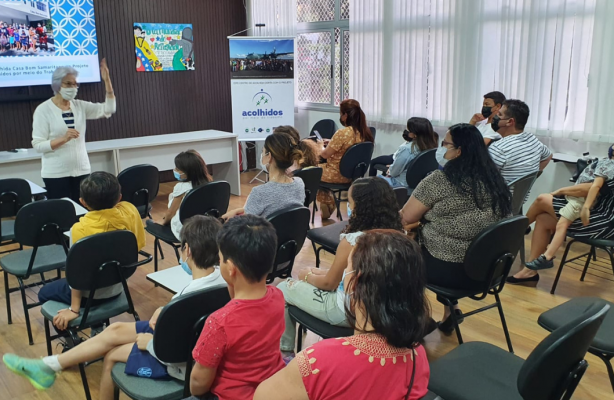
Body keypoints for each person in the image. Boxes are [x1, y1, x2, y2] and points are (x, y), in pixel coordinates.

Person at [2, 216, 225, 400]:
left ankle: (49, 367)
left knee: (111, 357)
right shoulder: (222, 281)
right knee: (116, 330)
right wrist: (164, 311)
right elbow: (191, 316)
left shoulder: (185, 297)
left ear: (187, 250)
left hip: (183, 363)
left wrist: (151, 345)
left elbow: (176, 348)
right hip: (188, 342)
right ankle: (49, 366)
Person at [255, 230, 430, 400]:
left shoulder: (317, 362)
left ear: (354, 282)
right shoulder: (418, 356)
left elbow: (262, 396)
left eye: (347, 268)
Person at [401, 123, 512, 332]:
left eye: (445, 144)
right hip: (488, 269)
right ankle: (450, 311)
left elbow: (405, 218)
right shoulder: (494, 180)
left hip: (451, 270)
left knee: (405, 253)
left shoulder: (440, 180)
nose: (441, 148)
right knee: (443, 239)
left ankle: (419, 319)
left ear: (458, 151)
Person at [278, 177, 404, 358]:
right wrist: (319, 273)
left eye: (350, 203)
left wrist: (307, 276)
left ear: (362, 208)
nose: (348, 208)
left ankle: (285, 353)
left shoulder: (353, 240)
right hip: (385, 310)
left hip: (348, 312)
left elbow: (330, 283)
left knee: (284, 288)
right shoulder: (399, 235)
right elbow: (350, 275)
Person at [189, 215, 285, 400]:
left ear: (231, 268)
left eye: (220, 259)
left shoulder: (219, 323)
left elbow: (198, 384)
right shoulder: (277, 296)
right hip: (270, 388)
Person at [37, 172, 146, 331]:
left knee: (44, 293)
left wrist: (74, 309)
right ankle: (97, 325)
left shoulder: (80, 230)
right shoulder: (130, 210)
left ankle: (70, 341)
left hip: (91, 296)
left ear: (82, 202)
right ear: (119, 197)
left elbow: (77, 275)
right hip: (119, 285)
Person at [508, 147, 614, 285]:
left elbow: (590, 188)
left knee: (542, 199)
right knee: (543, 219)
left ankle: (515, 230)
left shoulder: (610, 166)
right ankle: (530, 271)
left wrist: (560, 191)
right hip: (598, 213)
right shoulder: (608, 164)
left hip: (603, 222)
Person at [31, 61, 116, 201]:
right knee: (62, 213)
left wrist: (107, 82)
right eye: (68, 84)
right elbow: (38, 145)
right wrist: (63, 139)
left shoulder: (79, 106)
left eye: (75, 84)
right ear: (57, 85)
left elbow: (109, 109)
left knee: (83, 211)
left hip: (82, 170)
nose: (73, 87)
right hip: (56, 174)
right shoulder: (43, 110)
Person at [222, 133, 305, 220]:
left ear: (269, 157)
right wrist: (240, 211)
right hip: (293, 233)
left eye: (263, 151)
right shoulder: (299, 183)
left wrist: (233, 217)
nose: (261, 155)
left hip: (267, 233)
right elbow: (280, 209)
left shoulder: (259, 192)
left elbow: (246, 225)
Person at [318, 99, 374, 219]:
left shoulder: (342, 133)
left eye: (340, 113)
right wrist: (332, 142)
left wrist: (320, 146)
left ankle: (328, 202)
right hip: (354, 175)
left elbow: (324, 155)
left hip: (335, 175)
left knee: (313, 170)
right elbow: (348, 148)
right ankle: (328, 202)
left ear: (345, 115)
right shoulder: (365, 132)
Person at [147, 149, 212, 240]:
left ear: (187, 172)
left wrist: (163, 221)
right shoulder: (208, 183)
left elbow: (171, 212)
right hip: (203, 227)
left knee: (149, 223)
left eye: (178, 169)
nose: (174, 170)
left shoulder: (181, 187)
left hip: (184, 229)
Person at [488, 99, 552, 185]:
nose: (495, 117)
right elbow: (548, 156)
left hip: (496, 198)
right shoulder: (533, 140)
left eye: (499, 114)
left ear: (510, 121)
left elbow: (482, 180)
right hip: (519, 198)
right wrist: (529, 180)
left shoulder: (499, 148)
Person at [380, 117, 438, 191]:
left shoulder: (407, 149)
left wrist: (391, 169)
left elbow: (394, 172)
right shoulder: (432, 147)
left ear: (414, 135)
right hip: (420, 186)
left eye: (408, 129)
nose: (406, 131)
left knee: (374, 183)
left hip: (401, 185)